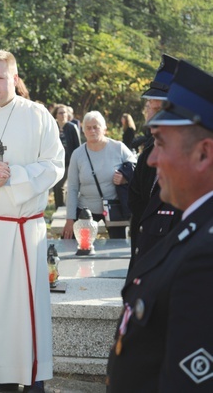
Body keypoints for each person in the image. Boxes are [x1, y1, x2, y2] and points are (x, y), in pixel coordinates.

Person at [106, 60, 213, 391]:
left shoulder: (204, 258)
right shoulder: (192, 228)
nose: (151, 159)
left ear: (203, 154)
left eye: (161, 143)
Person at [0, 50, 63, 391]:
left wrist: (15, 175)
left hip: (24, 232)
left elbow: (54, 165)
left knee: (25, 315)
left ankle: (32, 380)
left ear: (14, 79)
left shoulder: (38, 116)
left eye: (0, 78)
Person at [127, 55, 182, 268]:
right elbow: (137, 200)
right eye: (150, 106)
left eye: (157, 109)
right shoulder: (148, 151)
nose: (150, 113)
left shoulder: (189, 158)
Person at [63, 111, 136, 239]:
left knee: (117, 249)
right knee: (79, 248)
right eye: (88, 128)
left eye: (96, 127)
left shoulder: (118, 147)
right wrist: (70, 219)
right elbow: (73, 188)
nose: (92, 131)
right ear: (83, 131)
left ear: (104, 129)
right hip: (86, 209)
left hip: (114, 207)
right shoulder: (77, 154)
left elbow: (138, 170)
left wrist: (125, 178)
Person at [51, 103, 81, 208]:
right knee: (56, 186)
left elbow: (78, 146)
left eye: (64, 112)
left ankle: (68, 208)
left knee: (64, 186)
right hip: (56, 161)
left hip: (70, 162)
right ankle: (59, 207)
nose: (63, 115)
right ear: (56, 115)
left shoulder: (72, 127)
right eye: (60, 113)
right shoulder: (52, 127)